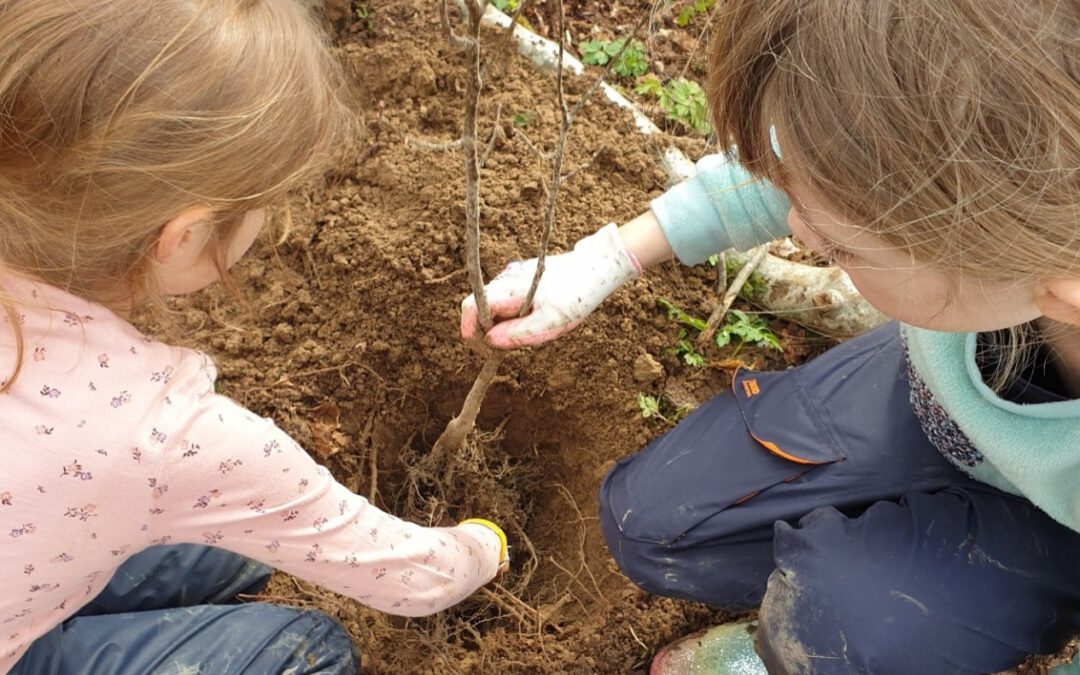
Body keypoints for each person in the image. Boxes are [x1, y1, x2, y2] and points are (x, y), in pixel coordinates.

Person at [462, 0, 1080, 672]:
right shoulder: (1007, 211)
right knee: (653, 523)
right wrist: (609, 256)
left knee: (840, 629)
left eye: (841, 247)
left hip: (1054, 539)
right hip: (926, 398)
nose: (799, 227)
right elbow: (823, 171)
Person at [0, 2, 509, 673]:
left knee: (229, 543)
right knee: (308, 651)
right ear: (181, 237)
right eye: (267, 201)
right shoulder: (162, 432)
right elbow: (414, 580)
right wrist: (486, 545)